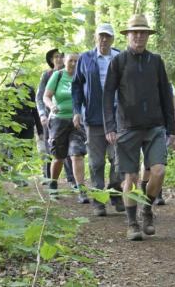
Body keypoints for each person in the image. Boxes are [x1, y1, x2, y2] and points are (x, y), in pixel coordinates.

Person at [103, 14, 175, 241]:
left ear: (147, 36)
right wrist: (110, 125)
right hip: (127, 127)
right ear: (127, 36)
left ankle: (147, 210)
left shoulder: (156, 61)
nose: (139, 36)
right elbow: (107, 95)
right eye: (135, 32)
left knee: (159, 171)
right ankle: (132, 222)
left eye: (143, 33)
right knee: (130, 178)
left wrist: (172, 129)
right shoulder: (119, 61)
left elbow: (166, 94)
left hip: (155, 126)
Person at [72, 24, 125, 216]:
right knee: (96, 162)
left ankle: (115, 193)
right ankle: (98, 201)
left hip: (118, 117)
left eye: (108, 37)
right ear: (95, 38)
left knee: (118, 160)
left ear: (112, 39)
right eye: (101, 36)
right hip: (93, 118)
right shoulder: (86, 58)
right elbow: (77, 86)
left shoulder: (120, 57)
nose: (104, 40)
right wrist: (77, 110)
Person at [44, 53, 89, 204]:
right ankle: (53, 184)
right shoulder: (57, 76)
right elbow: (46, 96)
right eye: (71, 60)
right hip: (59, 121)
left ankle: (81, 189)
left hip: (77, 120)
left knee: (77, 154)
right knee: (59, 157)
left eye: (77, 61)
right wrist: (51, 106)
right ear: (65, 61)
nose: (73, 64)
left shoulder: (82, 76)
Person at [36, 48, 75, 187]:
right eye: (55, 57)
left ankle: (71, 179)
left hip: (69, 117)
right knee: (51, 149)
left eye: (61, 57)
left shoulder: (73, 74)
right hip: (50, 118)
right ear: (51, 60)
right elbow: (40, 97)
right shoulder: (47, 75)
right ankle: (49, 178)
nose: (58, 59)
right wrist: (42, 114)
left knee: (71, 149)